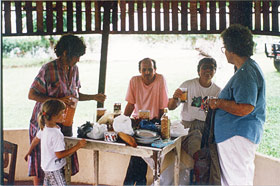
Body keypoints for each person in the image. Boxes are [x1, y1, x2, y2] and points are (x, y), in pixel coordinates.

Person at [28, 34, 106, 185]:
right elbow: (32, 94)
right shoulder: (48, 69)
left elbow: (74, 95)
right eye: (76, 55)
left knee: (61, 160)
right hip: (46, 122)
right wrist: (57, 101)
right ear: (65, 53)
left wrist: (94, 97)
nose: (78, 59)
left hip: (64, 122)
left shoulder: (74, 70)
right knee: (41, 162)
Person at [208, 24, 266, 185]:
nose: (225, 51)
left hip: (236, 135)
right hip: (237, 135)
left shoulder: (246, 74)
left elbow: (246, 107)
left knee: (236, 181)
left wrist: (218, 103)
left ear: (232, 50)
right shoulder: (248, 68)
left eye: (225, 47)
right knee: (240, 179)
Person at [123, 57, 169, 185]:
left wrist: (160, 126)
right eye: (144, 70)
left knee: (139, 155)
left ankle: (130, 182)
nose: (147, 73)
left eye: (150, 69)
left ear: (155, 70)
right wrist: (122, 121)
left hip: (153, 124)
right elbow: (130, 105)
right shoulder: (134, 80)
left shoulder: (160, 79)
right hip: (138, 123)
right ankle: (137, 182)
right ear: (139, 70)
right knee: (138, 155)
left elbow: (162, 107)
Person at [25, 99, 87, 186]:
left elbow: (35, 140)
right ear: (54, 116)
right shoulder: (56, 134)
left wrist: (29, 151)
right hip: (54, 170)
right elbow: (59, 155)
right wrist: (78, 146)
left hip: (46, 168)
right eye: (62, 113)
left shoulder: (44, 128)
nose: (64, 115)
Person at [168, 57, 221, 156]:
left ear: (215, 71)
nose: (208, 71)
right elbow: (171, 107)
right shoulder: (188, 85)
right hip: (187, 125)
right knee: (195, 148)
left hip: (205, 127)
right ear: (198, 71)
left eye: (211, 68)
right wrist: (175, 98)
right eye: (205, 68)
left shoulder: (217, 91)